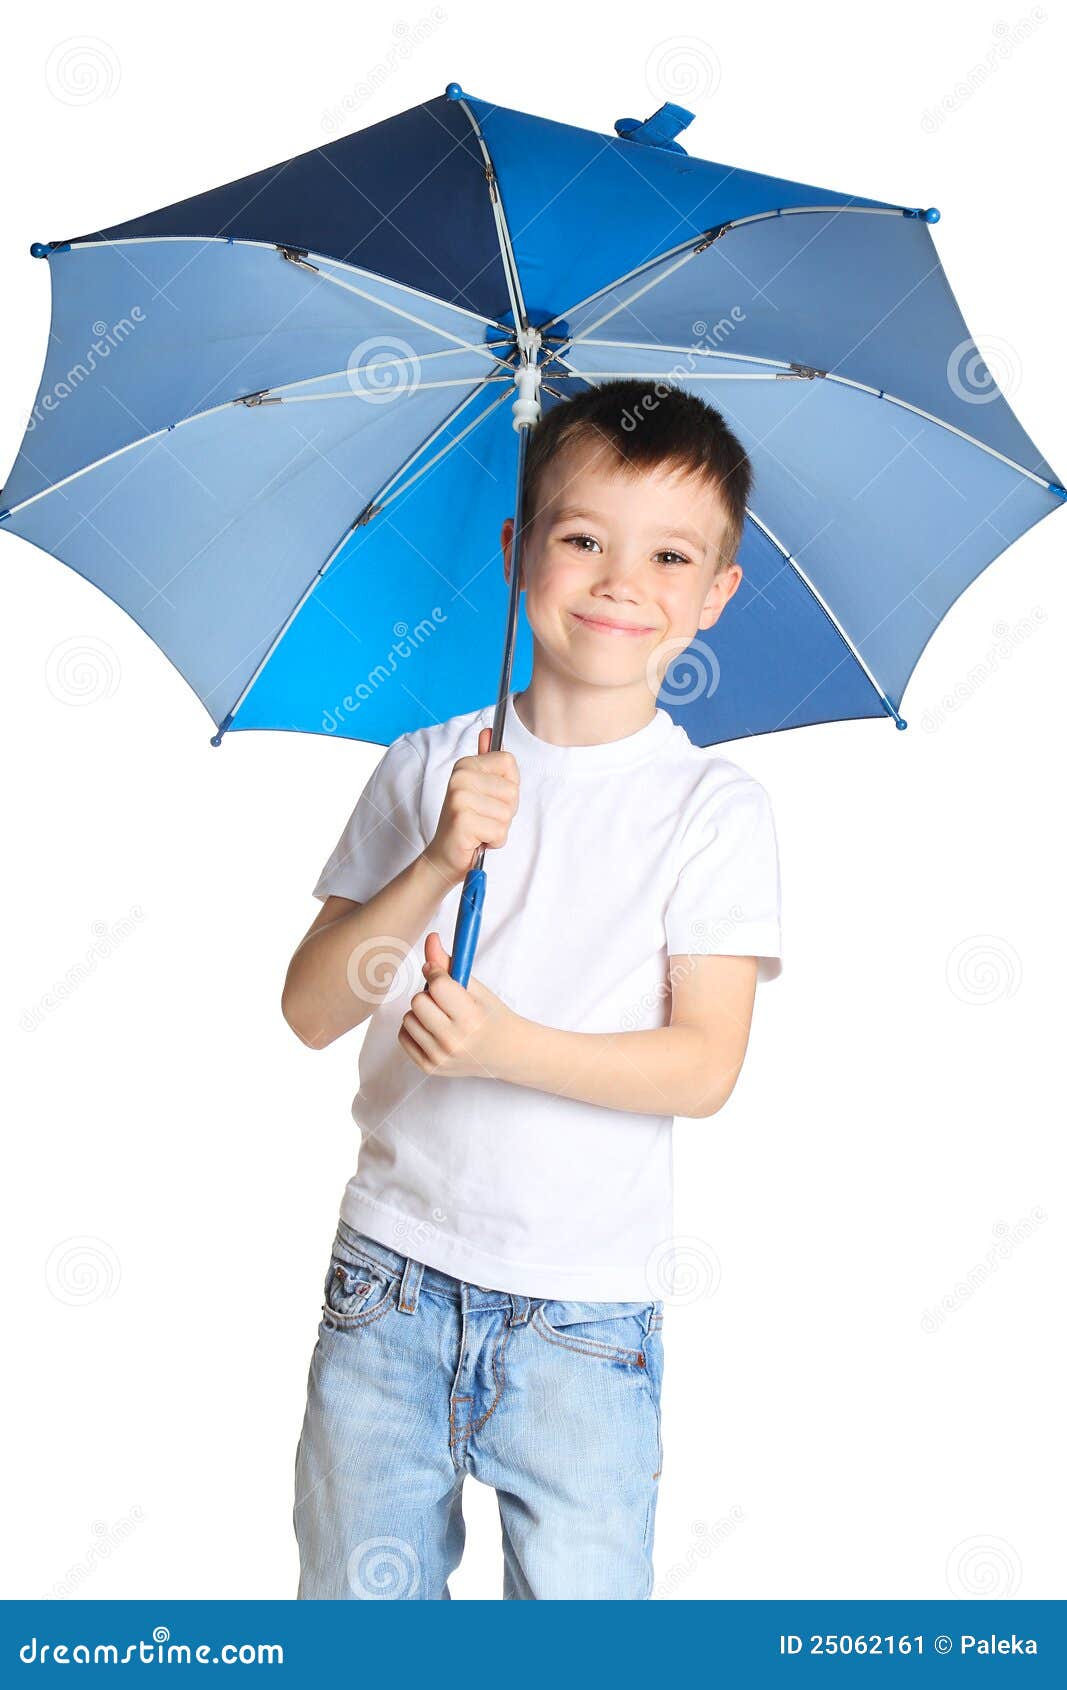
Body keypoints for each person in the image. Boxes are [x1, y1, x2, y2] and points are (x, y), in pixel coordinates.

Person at [282, 379, 784, 1600]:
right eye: (580, 539)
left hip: (583, 1315)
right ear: (519, 553)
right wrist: (437, 859)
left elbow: (701, 1065)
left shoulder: (711, 811)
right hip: (387, 1282)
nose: (620, 581)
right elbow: (310, 1006)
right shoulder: (430, 768)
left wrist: (508, 1044)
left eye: (668, 555)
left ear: (714, 593)